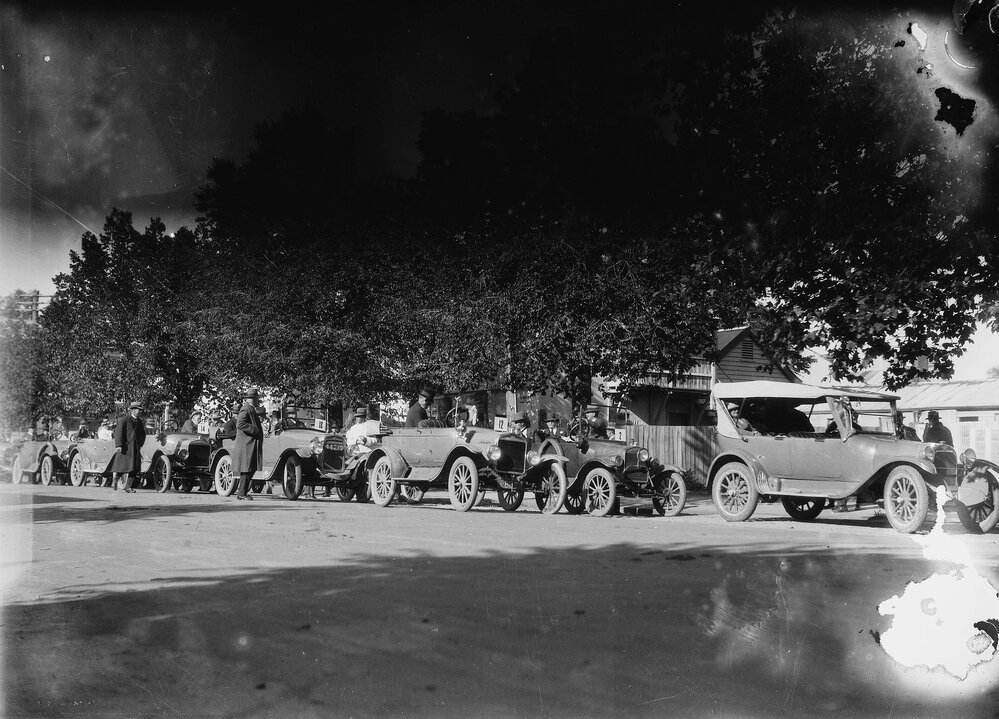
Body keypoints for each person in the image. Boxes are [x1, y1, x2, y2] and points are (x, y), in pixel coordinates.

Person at [233, 388, 264, 500]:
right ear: (253, 398)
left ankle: (243, 492)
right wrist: (254, 430)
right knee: (247, 469)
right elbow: (240, 424)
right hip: (247, 445)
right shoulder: (246, 409)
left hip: (249, 444)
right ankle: (242, 493)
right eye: (256, 398)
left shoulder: (249, 408)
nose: (257, 400)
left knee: (249, 469)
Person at [111, 401, 146, 493]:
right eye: (139, 410)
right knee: (123, 467)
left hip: (135, 448)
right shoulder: (124, 420)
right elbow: (118, 433)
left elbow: (143, 434)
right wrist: (118, 445)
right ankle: (115, 480)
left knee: (134, 468)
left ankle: (128, 487)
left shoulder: (139, 422)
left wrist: (140, 444)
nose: (140, 412)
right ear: (133, 410)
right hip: (125, 448)